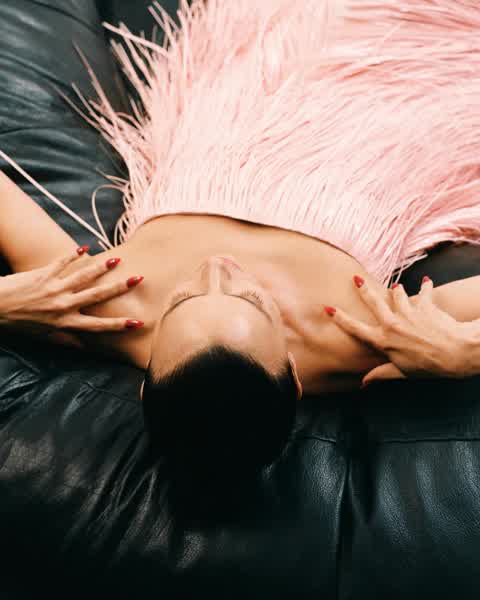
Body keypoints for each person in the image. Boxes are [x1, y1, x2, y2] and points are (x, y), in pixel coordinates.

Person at [1, 0, 480, 468]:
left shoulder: (99, 311)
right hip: (371, 109)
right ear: (294, 377)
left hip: (245, 89)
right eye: (253, 300)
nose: (217, 268)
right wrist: (465, 353)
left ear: (147, 381)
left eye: (181, 300)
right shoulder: (354, 338)